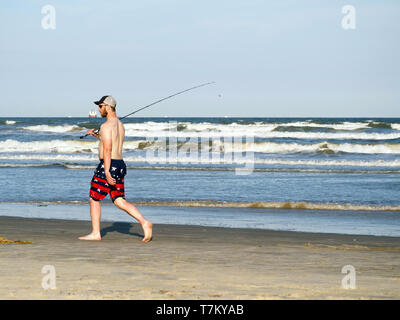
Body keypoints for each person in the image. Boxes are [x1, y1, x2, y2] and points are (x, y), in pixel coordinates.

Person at [78, 95, 153, 242]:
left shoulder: (106, 126)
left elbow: (107, 149)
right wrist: (96, 135)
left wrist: (106, 171)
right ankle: (145, 222)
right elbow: (112, 143)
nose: (99, 109)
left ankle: (95, 233)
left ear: (107, 106)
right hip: (119, 164)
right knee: (119, 200)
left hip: (109, 165)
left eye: (100, 106)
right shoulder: (119, 125)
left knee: (94, 198)